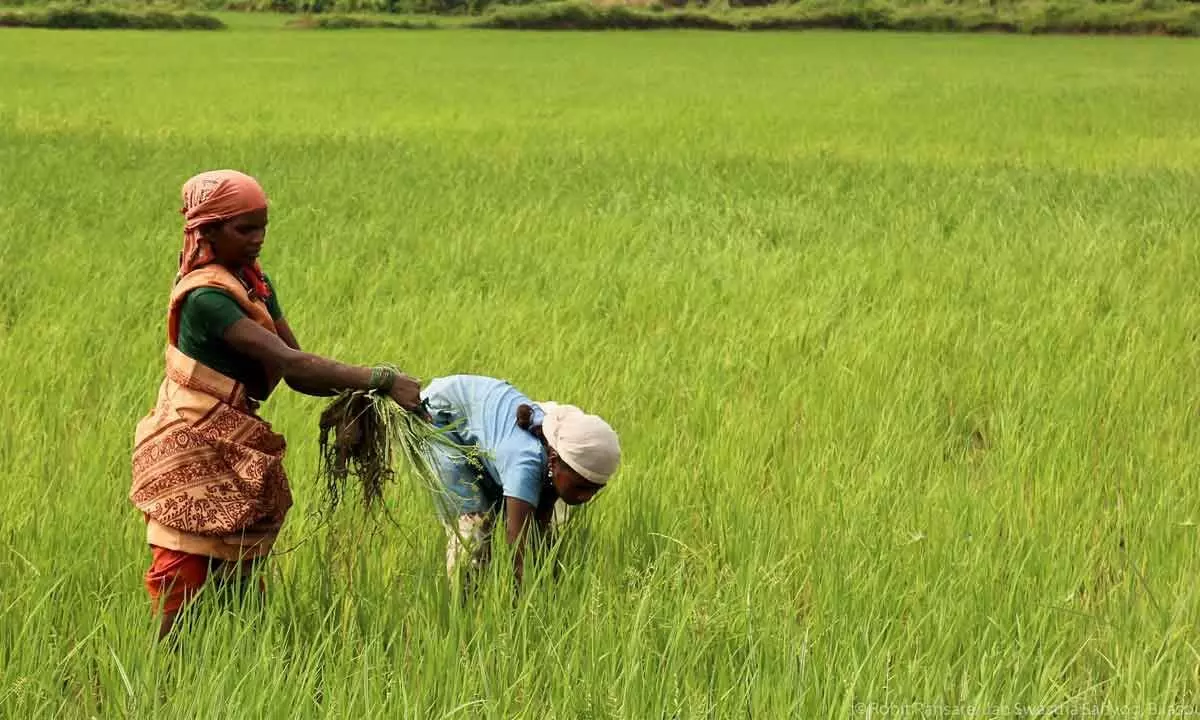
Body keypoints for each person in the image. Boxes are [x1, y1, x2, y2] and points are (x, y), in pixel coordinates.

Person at [130, 169, 422, 639]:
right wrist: (381, 379)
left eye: (262, 226)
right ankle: (161, 680)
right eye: (244, 229)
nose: (258, 239)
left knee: (240, 570)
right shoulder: (207, 297)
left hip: (235, 436)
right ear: (206, 230)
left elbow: (297, 373)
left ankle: (237, 666)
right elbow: (291, 362)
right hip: (193, 440)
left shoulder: (254, 284)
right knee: (183, 572)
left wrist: (368, 395)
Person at [419, 374, 620, 591]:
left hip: (483, 418)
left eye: (595, 489)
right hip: (440, 419)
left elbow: (538, 524)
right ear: (554, 460)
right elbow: (516, 551)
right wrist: (520, 607)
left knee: (541, 526)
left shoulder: (556, 458)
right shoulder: (524, 463)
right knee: (475, 529)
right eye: (581, 487)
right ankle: (462, 604)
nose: (585, 497)